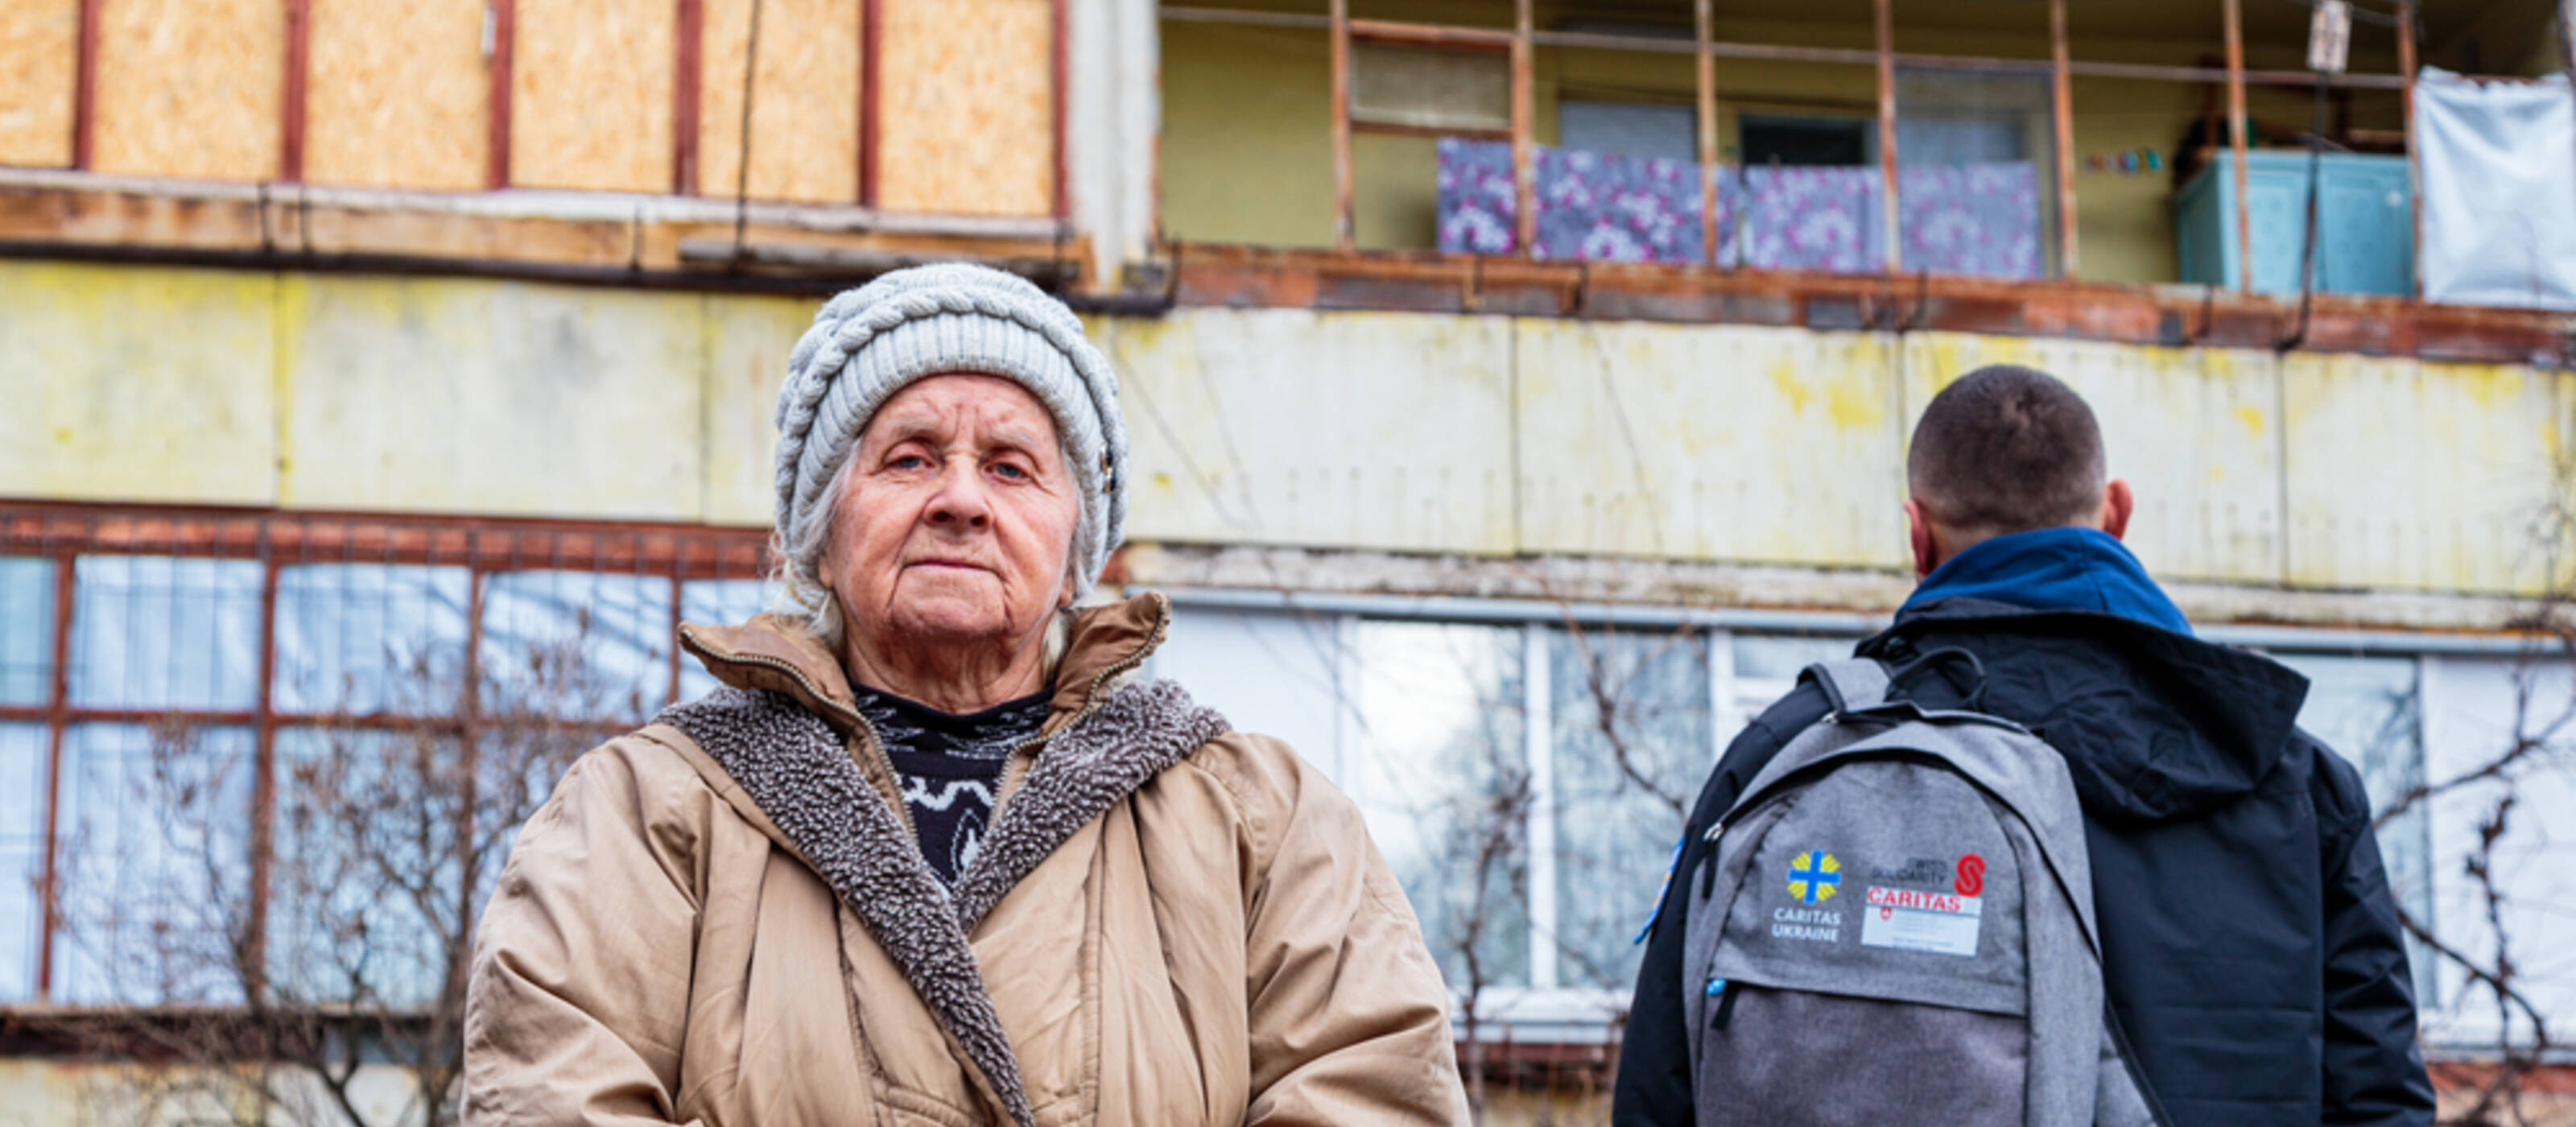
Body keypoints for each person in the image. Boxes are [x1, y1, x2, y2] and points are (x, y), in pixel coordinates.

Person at [464, 264, 1471, 1126]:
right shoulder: (647, 811)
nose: (959, 497)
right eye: (908, 458)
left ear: (1075, 552)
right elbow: (555, 1092)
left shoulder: (1260, 817)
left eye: (1010, 465)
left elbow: (1374, 1090)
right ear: (819, 531)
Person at [1613, 365, 2434, 1126]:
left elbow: (1659, 1084)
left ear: (1917, 534)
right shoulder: (2291, 777)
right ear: (2115, 512)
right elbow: (2377, 1100)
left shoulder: (1791, 748)